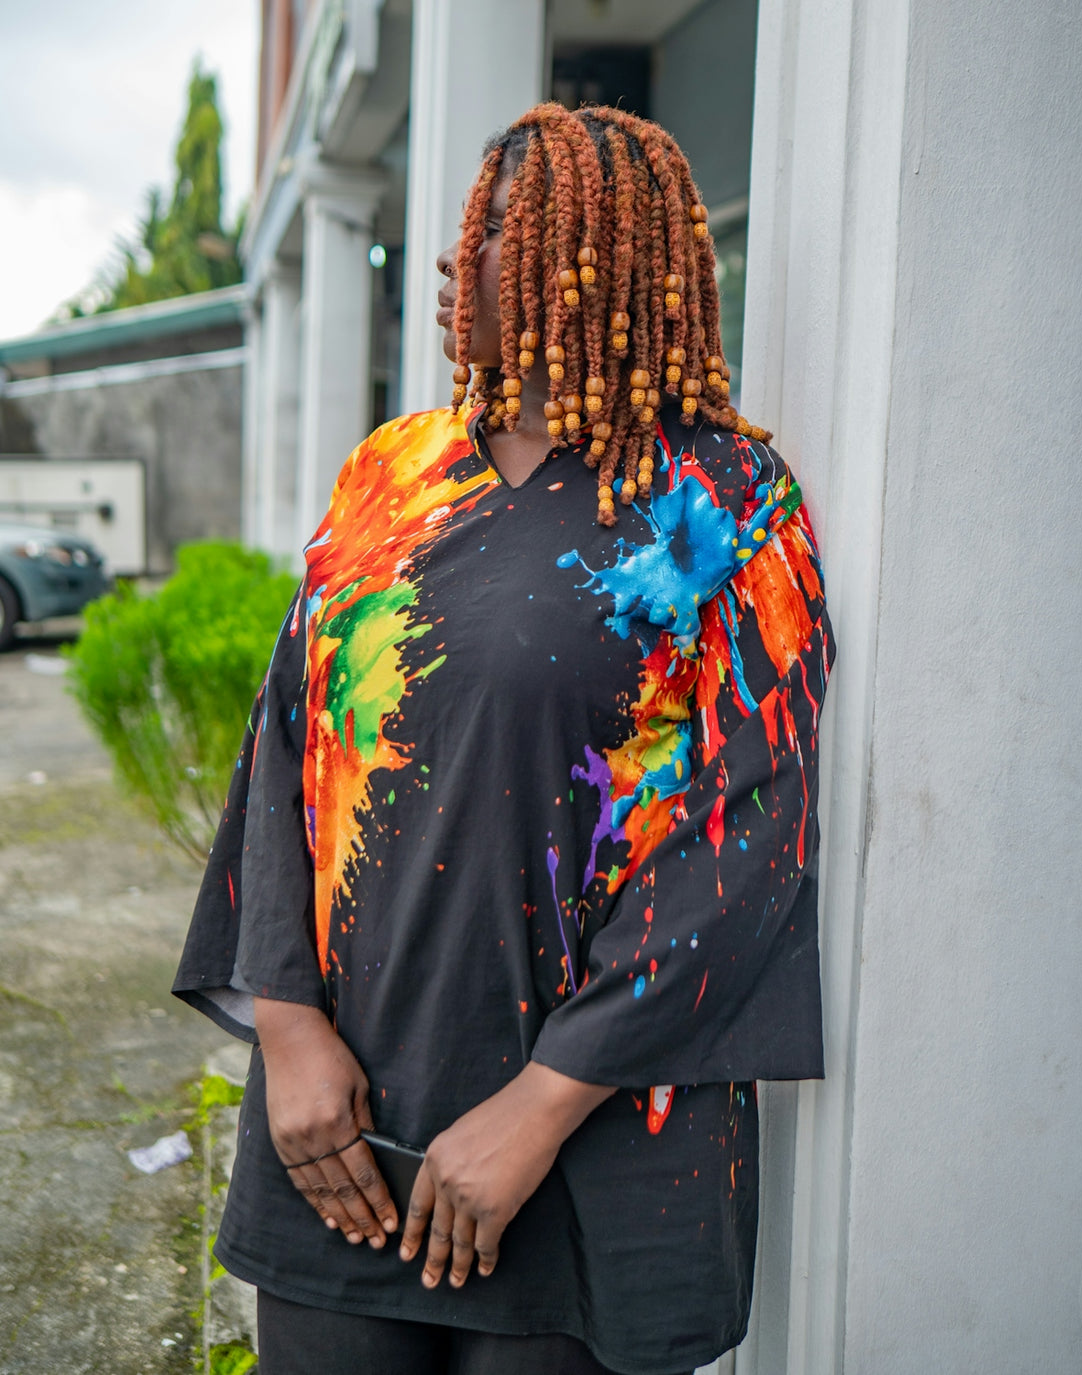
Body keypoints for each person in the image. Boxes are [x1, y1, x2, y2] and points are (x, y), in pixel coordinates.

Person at [174, 102, 834, 1375]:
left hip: (592, 1142)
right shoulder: (390, 473)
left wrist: (539, 1108)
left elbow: (744, 838)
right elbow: (288, 755)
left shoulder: (726, 509)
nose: (445, 258)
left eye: (484, 232)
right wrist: (290, 1027)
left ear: (581, 262)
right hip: (350, 1130)